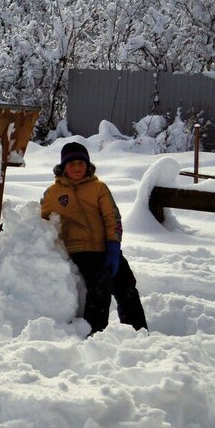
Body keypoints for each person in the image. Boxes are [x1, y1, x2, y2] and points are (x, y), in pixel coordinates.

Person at [41, 141, 147, 335]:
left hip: (106, 247)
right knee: (100, 287)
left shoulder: (98, 188)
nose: (77, 168)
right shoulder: (53, 193)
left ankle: (138, 331)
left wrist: (114, 246)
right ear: (63, 166)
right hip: (80, 250)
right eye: (71, 164)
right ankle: (94, 334)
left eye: (81, 163)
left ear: (87, 165)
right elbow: (41, 220)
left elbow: (112, 216)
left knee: (126, 285)